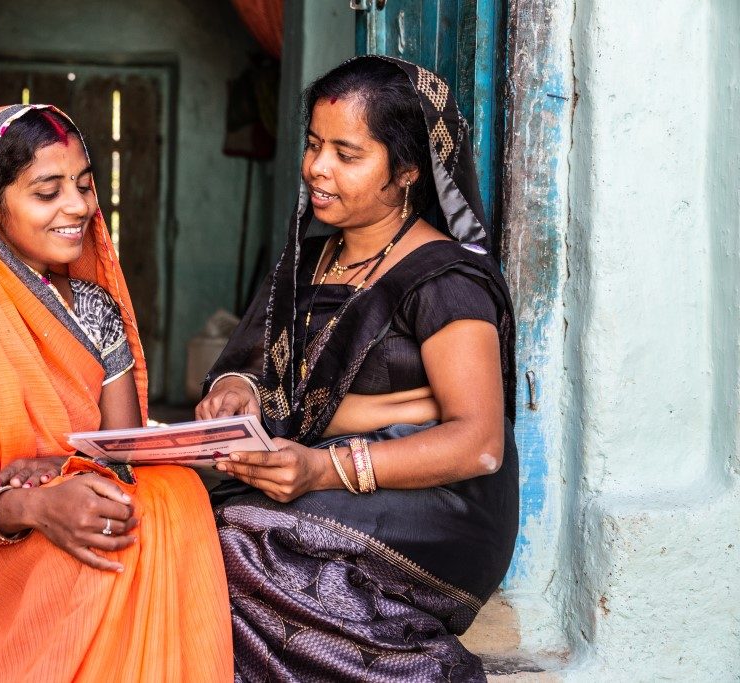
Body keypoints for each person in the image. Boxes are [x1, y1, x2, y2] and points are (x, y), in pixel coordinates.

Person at [0, 105, 232, 682]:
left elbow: (121, 453)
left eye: (83, 185)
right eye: (47, 192)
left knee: (170, 497)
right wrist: (32, 506)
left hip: (61, 492)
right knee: (89, 558)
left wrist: (59, 468)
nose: (78, 207)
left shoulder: (96, 309)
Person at [196, 56, 518, 682]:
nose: (317, 168)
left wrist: (324, 466)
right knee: (171, 521)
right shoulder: (310, 260)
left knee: (231, 545)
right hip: (314, 476)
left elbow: (478, 446)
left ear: (406, 172)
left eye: (347, 154)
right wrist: (234, 390)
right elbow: (253, 371)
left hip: (437, 507)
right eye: (315, 146)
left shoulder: (444, 280)